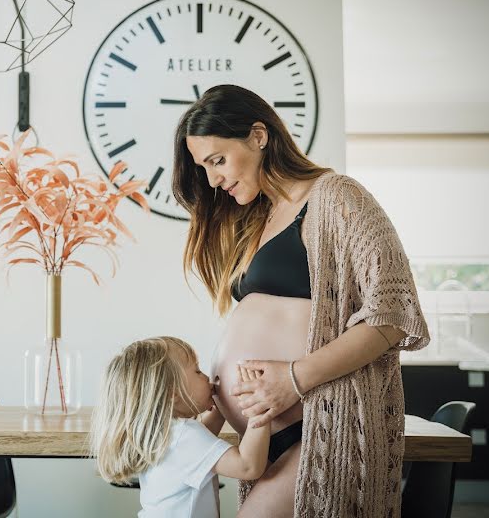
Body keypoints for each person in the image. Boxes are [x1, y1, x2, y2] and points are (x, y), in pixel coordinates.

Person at [170, 84, 431, 517]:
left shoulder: (337, 197)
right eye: (204, 168)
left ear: (258, 135)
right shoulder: (260, 216)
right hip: (266, 435)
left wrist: (292, 378)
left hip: (324, 421)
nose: (213, 179)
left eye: (217, 160)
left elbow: (392, 314)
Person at [91, 336, 270, 517]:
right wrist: (259, 406)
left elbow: (203, 440)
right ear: (173, 392)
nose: (207, 377)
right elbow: (248, 466)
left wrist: (221, 406)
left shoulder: (168, 434)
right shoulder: (184, 435)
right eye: (197, 371)